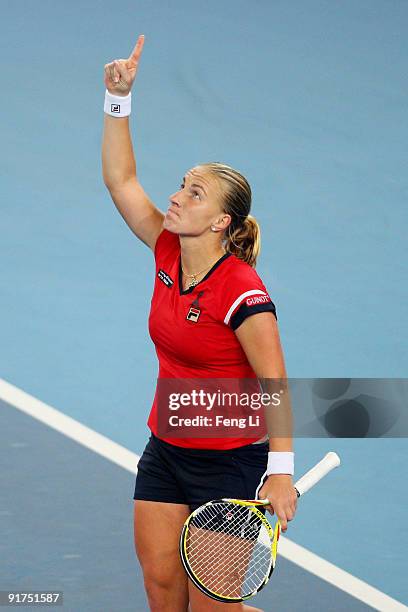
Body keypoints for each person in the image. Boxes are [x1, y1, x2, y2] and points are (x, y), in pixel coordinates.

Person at [102, 35, 298, 612]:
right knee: (163, 593)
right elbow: (121, 181)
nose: (177, 196)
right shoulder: (166, 249)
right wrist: (118, 100)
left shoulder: (242, 291)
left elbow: (275, 383)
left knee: (215, 609)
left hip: (230, 466)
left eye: (195, 192)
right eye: (183, 184)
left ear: (221, 222)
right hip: (166, 449)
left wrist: (281, 472)